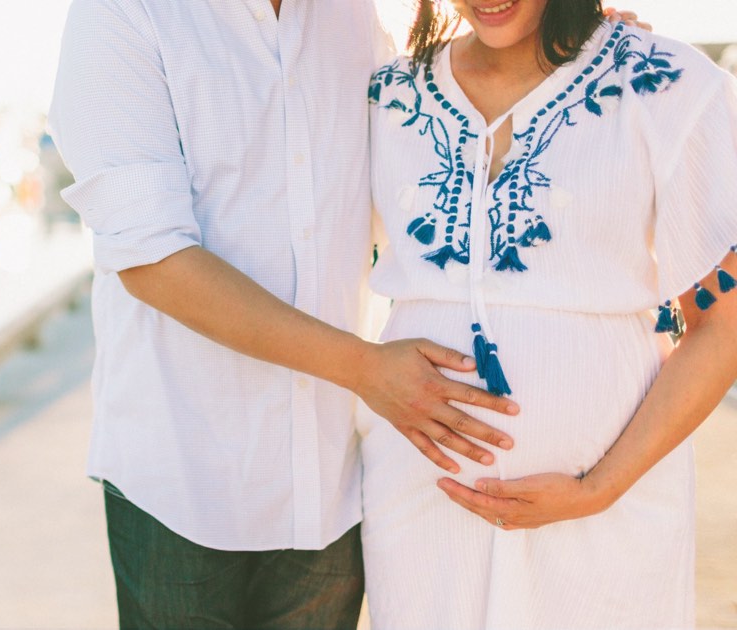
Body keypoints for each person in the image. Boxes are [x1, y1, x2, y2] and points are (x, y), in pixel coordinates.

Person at [47, 1, 525, 627]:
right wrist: (368, 370)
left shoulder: (353, 14)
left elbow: (431, 155)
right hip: (182, 478)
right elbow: (152, 260)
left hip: (327, 483)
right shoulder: (122, 13)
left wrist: (570, 60)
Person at [360, 1, 737, 627]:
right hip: (422, 506)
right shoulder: (387, 95)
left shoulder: (670, 84)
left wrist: (599, 489)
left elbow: (723, 327)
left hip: (612, 509)